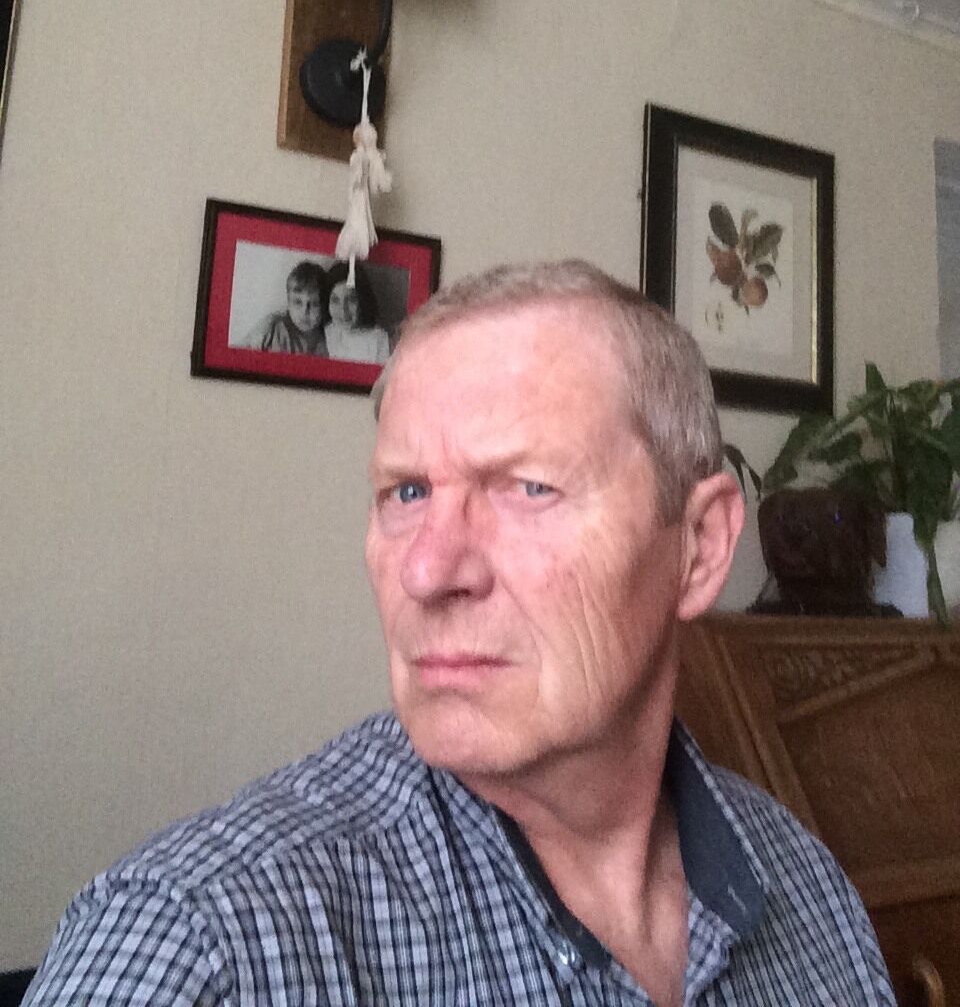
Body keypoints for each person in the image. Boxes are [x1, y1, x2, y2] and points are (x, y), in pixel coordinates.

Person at [24, 261, 895, 1006]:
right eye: (406, 493)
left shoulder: (806, 886)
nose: (427, 571)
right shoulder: (194, 947)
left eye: (528, 487)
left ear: (698, 549)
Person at [239, 260, 328, 356]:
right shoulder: (271, 327)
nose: (305, 311)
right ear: (288, 303)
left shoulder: (327, 340)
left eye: (314, 304)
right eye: (297, 302)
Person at [324, 260, 390, 365]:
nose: (343, 310)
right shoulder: (326, 334)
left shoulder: (380, 339)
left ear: (362, 300)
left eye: (351, 300)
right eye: (335, 300)